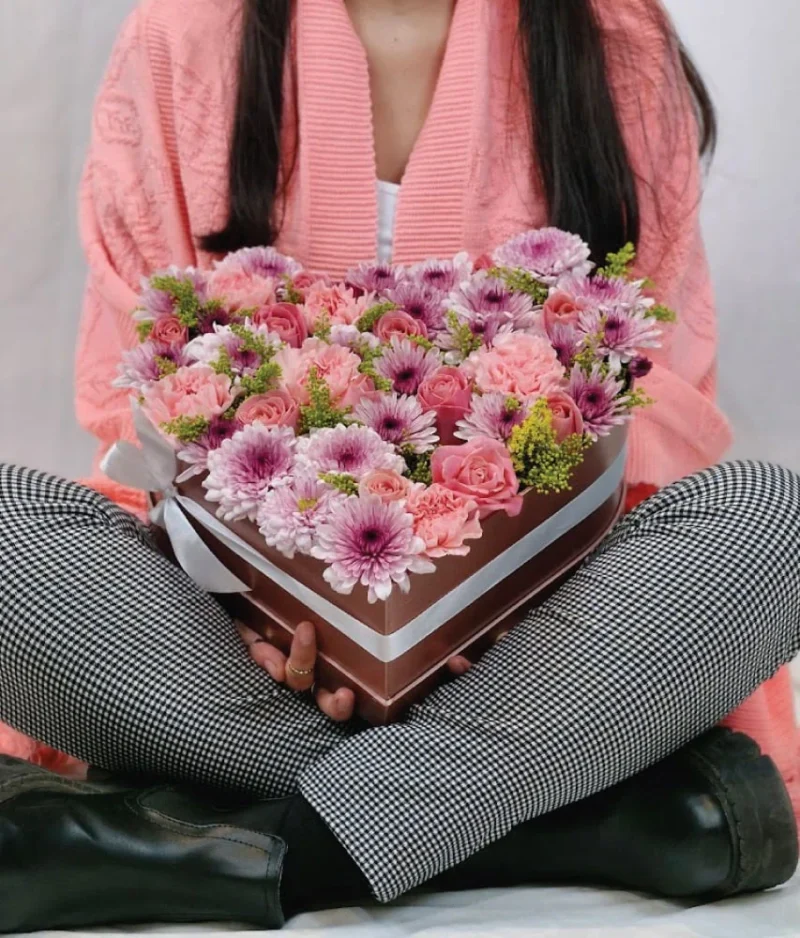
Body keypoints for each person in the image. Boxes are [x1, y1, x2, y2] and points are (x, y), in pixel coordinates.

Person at [1, 0, 799, 931]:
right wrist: (279, 603)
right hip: (237, 643)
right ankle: (577, 818)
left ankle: (219, 843)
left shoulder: (616, 40)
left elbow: (659, 391)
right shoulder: (184, 32)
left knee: (767, 517)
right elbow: (132, 388)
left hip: (540, 645)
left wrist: (484, 593)